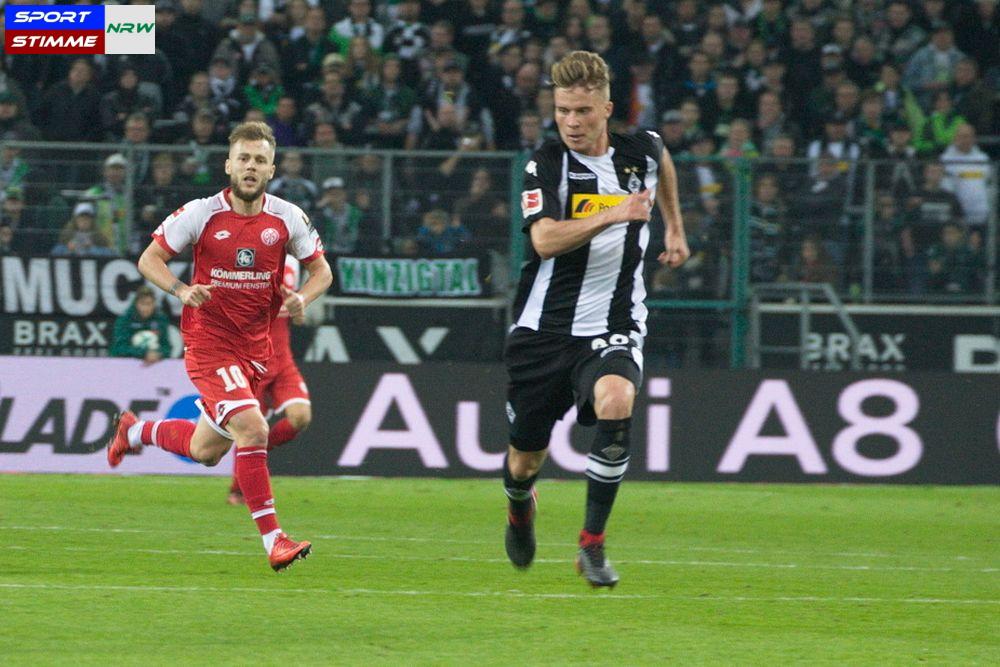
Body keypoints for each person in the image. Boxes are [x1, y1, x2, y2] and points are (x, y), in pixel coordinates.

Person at [105, 121, 333, 572]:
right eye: (243, 158)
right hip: (209, 343)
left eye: (260, 160)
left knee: (206, 450)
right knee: (254, 429)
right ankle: (274, 541)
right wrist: (180, 289)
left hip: (255, 351)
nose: (251, 167)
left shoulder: (288, 218)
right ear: (229, 165)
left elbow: (321, 271)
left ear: (271, 170)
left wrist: (301, 299)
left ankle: (133, 431)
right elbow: (149, 259)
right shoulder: (201, 213)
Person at [502, 51, 689, 588]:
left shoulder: (640, 150)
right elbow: (543, 239)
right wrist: (614, 212)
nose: (571, 122)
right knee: (524, 462)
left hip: (614, 323)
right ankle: (519, 506)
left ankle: (592, 544)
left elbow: (663, 160)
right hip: (543, 331)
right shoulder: (545, 164)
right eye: (562, 111)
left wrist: (675, 227)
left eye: (583, 111)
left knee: (617, 399)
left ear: (606, 109)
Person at [227, 254, 312, 505]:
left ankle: (261, 450)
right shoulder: (249, 260)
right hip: (254, 360)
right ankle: (237, 489)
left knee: (301, 417)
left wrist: (299, 311)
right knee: (247, 429)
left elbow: (297, 317)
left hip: (282, 359)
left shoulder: (293, 262)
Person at [110, 286, 172, 363]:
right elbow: (119, 348)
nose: (145, 308)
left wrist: (159, 353)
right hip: (125, 363)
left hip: (154, 363)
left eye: (149, 304)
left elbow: (166, 347)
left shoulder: (160, 319)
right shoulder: (124, 320)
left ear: (154, 303)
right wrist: (143, 353)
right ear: (136, 303)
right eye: (142, 303)